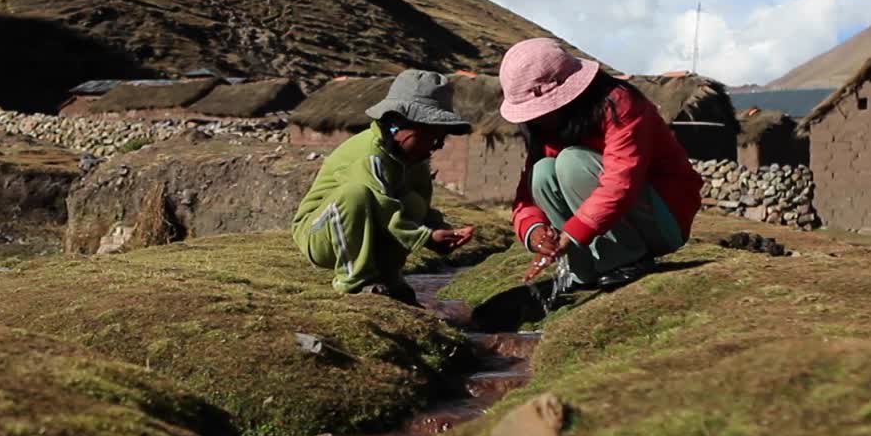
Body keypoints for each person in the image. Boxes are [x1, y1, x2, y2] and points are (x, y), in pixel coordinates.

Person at [499, 38, 703, 289]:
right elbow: (527, 196)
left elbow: (621, 181)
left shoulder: (621, 105)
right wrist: (536, 233)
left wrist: (572, 233)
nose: (538, 117)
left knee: (572, 162)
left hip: (663, 220)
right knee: (541, 173)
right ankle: (582, 268)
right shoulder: (546, 128)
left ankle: (625, 259)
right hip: (598, 226)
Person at [291, 69, 476, 304]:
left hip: (366, 225)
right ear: (398, 125)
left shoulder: (414, 160)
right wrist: (426, 238)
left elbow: (420, 210)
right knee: (356, 194)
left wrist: (441, 229)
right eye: (432, 135)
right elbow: (385, 208)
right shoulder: (369, 155)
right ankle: (354, 280)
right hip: (321, 234)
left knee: (412, 203)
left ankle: (390, 277)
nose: (437, 145)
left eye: (442, 138)